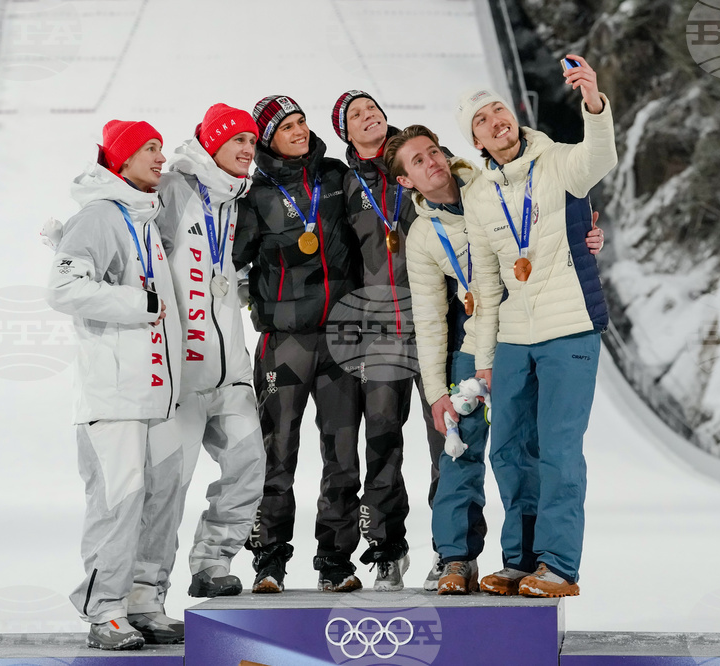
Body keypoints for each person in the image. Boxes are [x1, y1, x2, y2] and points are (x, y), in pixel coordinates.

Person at [384, 124, 604, 594]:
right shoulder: (423, 236)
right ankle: (455, 559)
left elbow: (554, 215)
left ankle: (527, 560)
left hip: (527, 334)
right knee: (460, 449)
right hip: (473, 348)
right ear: (406, 182)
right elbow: (429, 319)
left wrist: (583, 235)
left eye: (434, 152)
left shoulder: (494, 183)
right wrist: (436, 392)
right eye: (418, 162)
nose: (433, 162)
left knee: (522, 452)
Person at [458, 55, 618, 598]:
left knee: (559, 449)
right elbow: (485, 283)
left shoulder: (558, 161)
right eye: (481, 120)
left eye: (498, 110)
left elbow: (599, 155)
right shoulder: (479, 195)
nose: (494, 121)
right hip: (511, 339)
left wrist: (592, 101)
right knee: (506, 448)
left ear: (515, 117)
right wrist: (483, 358)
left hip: (570, 328)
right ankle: (519, 559)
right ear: (476, 142)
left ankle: (558, 565)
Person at [47, 120, 184, 649]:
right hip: (114, 396)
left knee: (161, 500)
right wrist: (139, 304)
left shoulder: (143, 216)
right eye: (149, 149)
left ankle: (143, 601)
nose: (160, 157)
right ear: (121, 162)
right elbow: (62, 287)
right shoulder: (101, 216)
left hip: (156, 393)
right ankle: (105, 610)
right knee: (119, 504)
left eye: (160, 148)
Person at [234, 95, 365, 593]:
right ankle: (269, 560)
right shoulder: (253, 196)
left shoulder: (335, 176)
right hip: (285, 342)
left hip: (341, 338)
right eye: (286, 126)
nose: (299, 131)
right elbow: (229, 259)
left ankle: (335, 561)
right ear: (268, 138)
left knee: (342, 453)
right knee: (276, 453)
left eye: (301, 121)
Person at [152, 103, 266, 599]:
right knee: (165, 491)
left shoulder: (235, 199)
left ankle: (213, 564)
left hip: (230, 371)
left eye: (253, 143)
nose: (248, 151)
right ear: (214, 144)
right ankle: (142, 590)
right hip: (182, 379)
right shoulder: (176, 190)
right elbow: (131, 241)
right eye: (239, 141)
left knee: (248, 469)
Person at [328, 90, 428, 590]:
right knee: (382, 436)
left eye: (373, 108)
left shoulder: (420, 158)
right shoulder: (344, 184)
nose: (369, 117)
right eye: (355, 115)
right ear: (345, 133)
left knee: (446, 438)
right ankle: (388, 549)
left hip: (437, 319)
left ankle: (454, 554)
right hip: (380, 327)